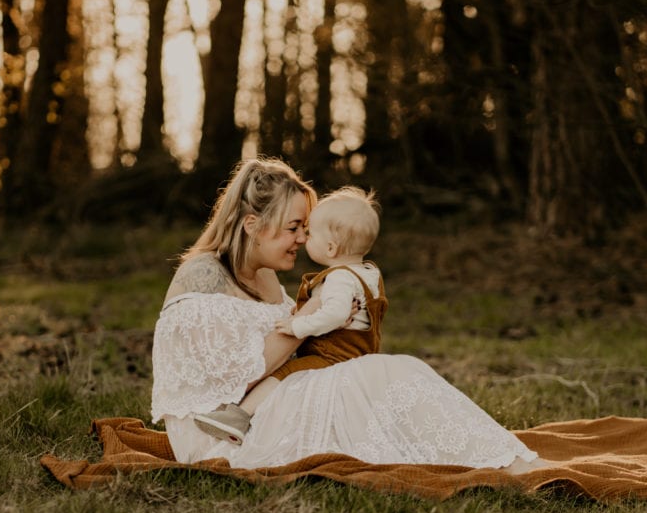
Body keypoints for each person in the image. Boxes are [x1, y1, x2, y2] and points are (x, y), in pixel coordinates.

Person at [151, 157, 542, 472]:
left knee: (392, 370)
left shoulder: (265, 274)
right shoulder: (202, 274)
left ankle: (489, 456)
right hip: (221, 433)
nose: (303, 239)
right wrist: (318, 313)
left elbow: (294, 346)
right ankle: (497, 461)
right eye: (294, 228)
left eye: (305, 227)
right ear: (253, 225)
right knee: (383, 374)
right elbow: (242, 372)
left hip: (268, 403)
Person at [192, 186, 388, 444]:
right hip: (357, 354)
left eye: (310, 233)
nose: (305, 239)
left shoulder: (340, 278)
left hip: (333, 356)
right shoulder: (369, 273)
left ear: (330, 248)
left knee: (283, 373)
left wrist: (299, 326)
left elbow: (336, 314)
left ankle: (239, 417)